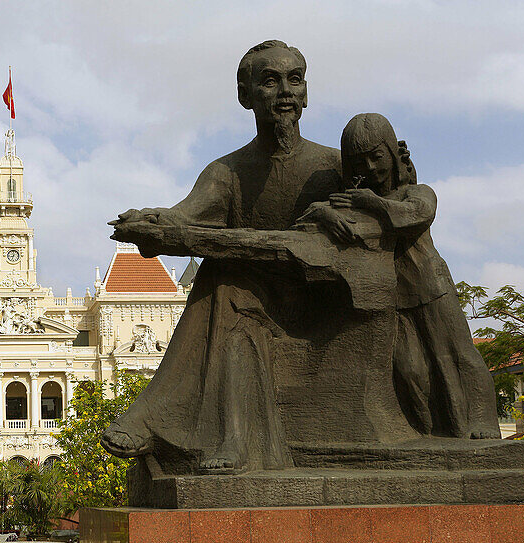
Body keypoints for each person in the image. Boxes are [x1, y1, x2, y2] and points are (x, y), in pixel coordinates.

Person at [101, 40, 343, 470]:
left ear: (305, 93)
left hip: (322, 302)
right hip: (250, 302)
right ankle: (229, 441)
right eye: (270, 81)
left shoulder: (333, 168)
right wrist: (150, 224)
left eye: (294, 80)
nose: (285, 91)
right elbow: (184, 219)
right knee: (224, 280)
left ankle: (156, 420)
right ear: (245, 96)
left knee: (225, 279)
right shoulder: (227, 172)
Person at [327, 113, 499, 438]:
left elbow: (416, 215)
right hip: (392, 295)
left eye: (377, 157)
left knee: (457, 354)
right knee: (409, 368)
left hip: (431, 286)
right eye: (360, 161)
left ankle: (482, 422)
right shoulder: (359, 201)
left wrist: (373, 203)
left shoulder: (416, 193)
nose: (372, 168)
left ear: (392, 153)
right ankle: (433, 429)